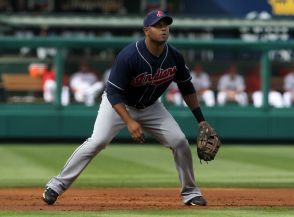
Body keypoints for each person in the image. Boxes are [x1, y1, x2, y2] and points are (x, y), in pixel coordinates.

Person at [42, 9, 214, 207]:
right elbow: (113, 93)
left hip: (151, 107)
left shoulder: (174, 56)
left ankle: (191, 193)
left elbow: (186, 87)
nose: (163, 29)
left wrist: (200, 120)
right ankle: (56, 185)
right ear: (146, 30)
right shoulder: (129, 55)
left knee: (179, 141)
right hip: (118, 104)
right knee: (97, 141)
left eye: (165, 25)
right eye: (158, 25)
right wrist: (129, 121)